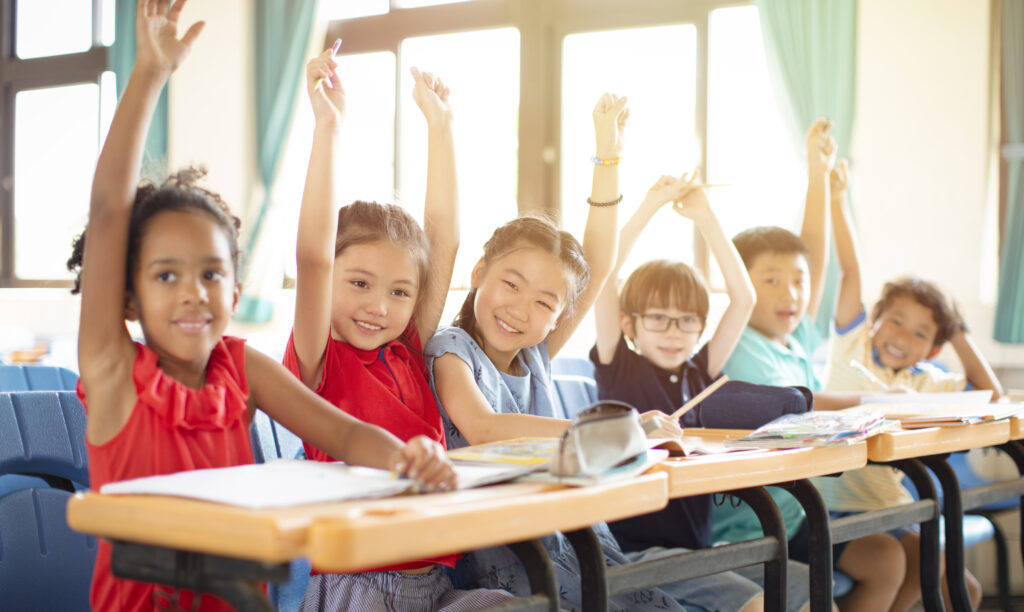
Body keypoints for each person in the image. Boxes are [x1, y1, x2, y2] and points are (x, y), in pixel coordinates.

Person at [69, 4, 453, 610]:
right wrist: (148, 74)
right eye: (166, 275)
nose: (195, 290)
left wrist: (406, 456)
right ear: (125, 294)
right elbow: (109, 211)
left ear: (237, 292)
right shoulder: (114, 370)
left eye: (213, 273)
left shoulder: (240, 368)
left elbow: (347, 434)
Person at [427, 93, 731, 612]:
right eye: (511, 284)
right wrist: (615, 430)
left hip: (576, 539)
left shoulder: (535, 355)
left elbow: (599, 261)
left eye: (545, 301)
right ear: (478, 275)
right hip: (514, 557)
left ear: (560, 313)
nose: (521, 309)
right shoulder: (450, 350)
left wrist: (607, 157)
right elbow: (484, 428)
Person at [282, 45, 514, 611]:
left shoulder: (407, 348)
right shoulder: (317, 360)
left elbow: (444, 240)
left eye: (399, 292)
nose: (379, 307)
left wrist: (441, 126)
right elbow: (313, 255)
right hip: (354, 583)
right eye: (359, 283)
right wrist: (328, 127)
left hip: (434, 582)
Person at [588, 171, 826, 612]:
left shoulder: (702, 370)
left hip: (702, 552)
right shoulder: (618, 365)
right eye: (658, 318)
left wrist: (705, 216)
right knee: (758, 605)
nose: (673, 332)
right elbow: (605, 273)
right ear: (629, 323)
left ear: (700, 326)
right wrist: (650, 205)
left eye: (687, 320)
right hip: (638, 554)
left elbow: (744, 298)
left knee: (817, 592)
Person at [714, 121, 907, 612]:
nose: (792, 293)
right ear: (742, 284)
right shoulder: (736, 344)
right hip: (746, 528)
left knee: (886, 559)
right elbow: (794, 402)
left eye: (798, 283)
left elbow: (814, 254)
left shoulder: (794, 335)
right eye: (772, 280)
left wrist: (818, 175)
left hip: (797, 515)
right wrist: (872, 400)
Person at [816, 158, 999, 611]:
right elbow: (850, 270)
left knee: (964, 588)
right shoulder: (851, 344)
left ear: (933, 349)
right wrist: (837, 199)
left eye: (920, 334)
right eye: (894, 321)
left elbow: (993, 397)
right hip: (834, 513)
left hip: (891, 510)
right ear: (876, 320)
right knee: (893, 563)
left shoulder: (926, 382)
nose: (900, 338)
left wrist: (955, 328)